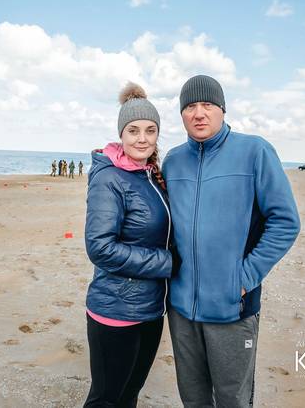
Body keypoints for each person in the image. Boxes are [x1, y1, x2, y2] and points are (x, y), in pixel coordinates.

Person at [162, 75, 301, 407]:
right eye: (190, 106)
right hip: (181, 310)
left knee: (233, 400)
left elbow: (285, 222)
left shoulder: (254, 151)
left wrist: (244, 278)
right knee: (193, 399)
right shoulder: (172, 160)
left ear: (222, 109)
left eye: (207, 105)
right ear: (181, 114)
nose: (199, 113)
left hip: (231, 308)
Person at [84, 82, 175, 407]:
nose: (142, 138)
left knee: (128, 397)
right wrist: (168, 263)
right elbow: (100, 247)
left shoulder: (149, 175)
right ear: (121, 134)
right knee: (106, 400)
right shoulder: (109, 178)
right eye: (133, 130)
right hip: (116, 309)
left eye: (150, 130)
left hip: (151, 309)